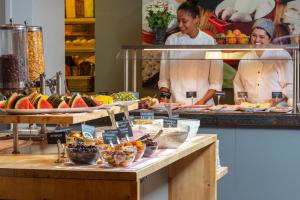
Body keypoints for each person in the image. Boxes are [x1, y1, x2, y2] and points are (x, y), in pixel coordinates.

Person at [158, 1, 223, 105]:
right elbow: (164, 78)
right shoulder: (171, 41)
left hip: (203, 105)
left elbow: (216, 82)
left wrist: (202, 102)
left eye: (184, 21)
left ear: (196, 19)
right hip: (176, 103)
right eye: (178, 21)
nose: (180, 25)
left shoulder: (209, 42)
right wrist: (164, 99)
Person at [233, 18, 293, 106]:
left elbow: (290, 84)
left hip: (276, 110)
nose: (257, 40)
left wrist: (276, 99)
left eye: (261, 37)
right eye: (254, 35)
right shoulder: (245, 58)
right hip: (251, 110)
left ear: (269, 39)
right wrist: (240, 99)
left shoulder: (281, 55)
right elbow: (239, 84)